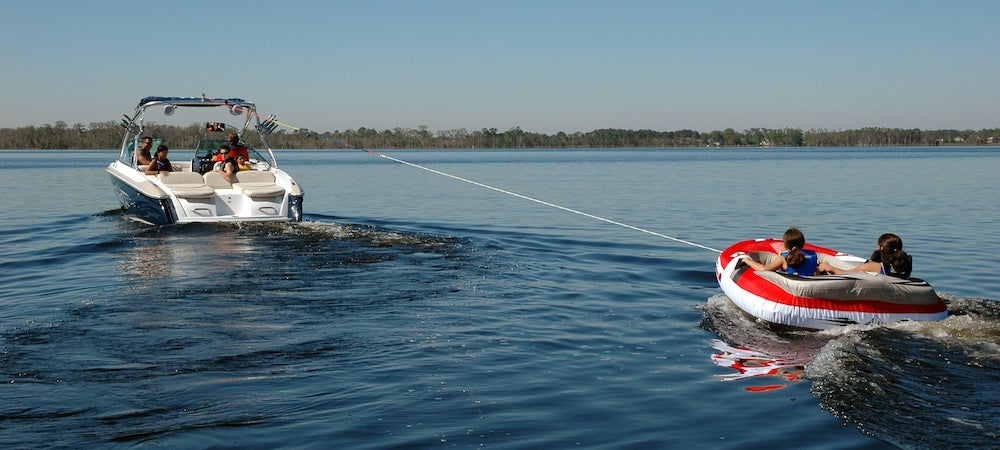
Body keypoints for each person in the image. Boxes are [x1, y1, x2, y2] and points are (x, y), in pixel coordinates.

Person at [818, 233, 912, 278]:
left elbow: (845, 274)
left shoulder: (875, 266)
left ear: (881, 248)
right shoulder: (907, 263)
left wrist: (828, 267)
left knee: (823, 262)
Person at [742, 227, 819, 276]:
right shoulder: (812, 255)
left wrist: (748, 261)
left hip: (793, 286)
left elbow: (764, 269)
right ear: (803, 244)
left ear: (785, 245)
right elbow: (816, 273)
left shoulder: (783, 258)